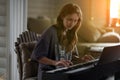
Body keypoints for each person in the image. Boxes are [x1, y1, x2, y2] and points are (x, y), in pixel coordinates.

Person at [31, 3, 93, 80]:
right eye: (69, 19)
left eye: (75, 20)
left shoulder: (71, 34)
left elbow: (71, 57)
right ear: (62, 16)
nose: (72, 24)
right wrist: (55, 62)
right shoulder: (50, 32)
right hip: (48, 73)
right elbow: (37, 56)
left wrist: (82, 60)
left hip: (63, 71)